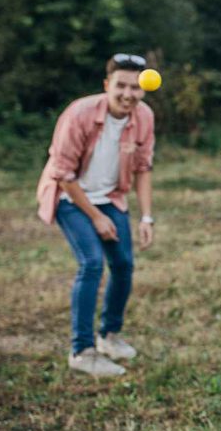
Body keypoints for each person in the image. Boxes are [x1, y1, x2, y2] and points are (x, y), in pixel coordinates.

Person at [37, 54, 157, 377]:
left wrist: (146, 217)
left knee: (123, 264)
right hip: (68, 195)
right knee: (91, 263)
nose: (128, 94)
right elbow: (62, 173)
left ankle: (109, 336)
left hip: (111, 198)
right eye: (121, 85)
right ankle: (82, 350)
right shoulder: (80, 113)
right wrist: (95, 218)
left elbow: (144, 168)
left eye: (135, 87)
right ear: (107, 85)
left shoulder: (144, 116)